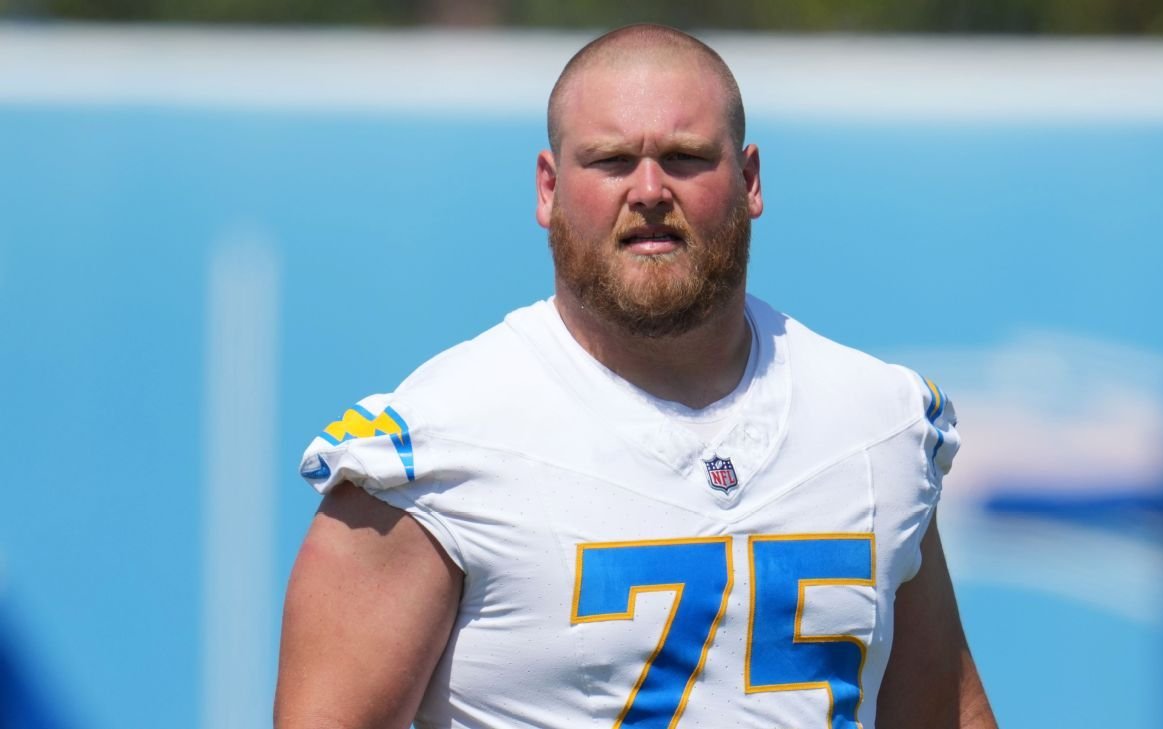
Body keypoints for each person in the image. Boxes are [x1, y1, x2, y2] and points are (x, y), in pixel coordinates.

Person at [275, 24, 996, 729]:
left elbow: (941, 713)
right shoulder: (434, 448)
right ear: (548, 189)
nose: (650, 189)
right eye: (612, 161)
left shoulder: (877, 423)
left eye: (684, 158)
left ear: (750, 181)